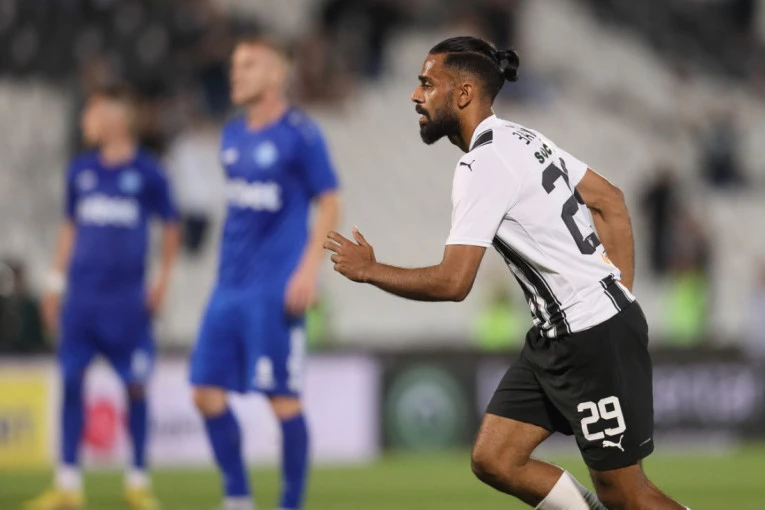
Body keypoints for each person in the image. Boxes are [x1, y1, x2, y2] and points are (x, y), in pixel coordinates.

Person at [325, 36, 691, 510]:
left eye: (427, 84)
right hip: (558, 335)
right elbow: (610, 201)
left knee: (627, 496)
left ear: (463, 93)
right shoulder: (522, 138)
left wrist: (371, 270)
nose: (416, 96)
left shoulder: (483, 165)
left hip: (592, 337)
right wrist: (617, 292)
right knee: (496, 458)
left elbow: (454, 282)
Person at [190, 36, 340, 510]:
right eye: (235, 65)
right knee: (205, 393)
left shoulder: (300, 135)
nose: (236, 74)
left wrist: (308, 271)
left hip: (274, 289)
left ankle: (290, 504)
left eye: (249, 65)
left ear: (277, 74)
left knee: (282, 400)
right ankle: (238, 497)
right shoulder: (232, 135)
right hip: (227, 287)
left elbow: (330, 202)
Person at [26, 86, 181, 510]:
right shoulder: (79, 171)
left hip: (127, 302)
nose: (85, 122)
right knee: (71, 382)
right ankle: (68, 485)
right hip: (82, 300)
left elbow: (171, 226)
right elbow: (69, 227)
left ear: (115, 118)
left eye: (91, 114)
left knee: (136, 386)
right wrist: (55, 285)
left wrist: (162, 281)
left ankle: (137, 482)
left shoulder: (148, 173)